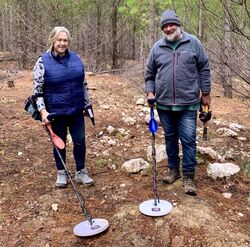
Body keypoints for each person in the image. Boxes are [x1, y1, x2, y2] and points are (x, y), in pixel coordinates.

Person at [145, 9, 211, 196]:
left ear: (178, 25)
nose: (168, 28)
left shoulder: (193, 43)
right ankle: (173, 169)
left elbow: (204, 68)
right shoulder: (157, 48)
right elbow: (149, 73)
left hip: (189, 102)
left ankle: (189, 176)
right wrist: (150, 92)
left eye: (171, 24)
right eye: (164, 26)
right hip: (164, 103)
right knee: (170, 137)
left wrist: (206, 92)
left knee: (188, 140)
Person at [33, 26, 95, 188]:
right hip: (56, 112)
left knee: (80, 141)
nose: (62, 43)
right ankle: (61, 172)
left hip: (76, 111)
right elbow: (37, 91)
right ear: (53, 40)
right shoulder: (42, 61)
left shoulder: (76, 58)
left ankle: (81, 171)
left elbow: (83, 84)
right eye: (59, 40)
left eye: (65, 40)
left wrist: (87, 104)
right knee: (59, 143)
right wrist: (43, 112)